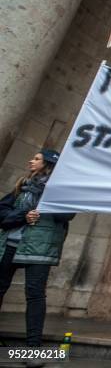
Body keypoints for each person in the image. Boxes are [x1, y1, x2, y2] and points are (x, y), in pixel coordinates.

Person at [0, 149, 74, 353]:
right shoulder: (22, 187)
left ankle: (33, 347)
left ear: (48, 164)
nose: (31, 161)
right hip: (11, 245)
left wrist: (49, 198)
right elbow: (2, 212)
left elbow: (67, 215)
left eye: (37, 159)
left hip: (39, 249)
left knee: (34, 295)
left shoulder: (60, 190)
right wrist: (23, 216)